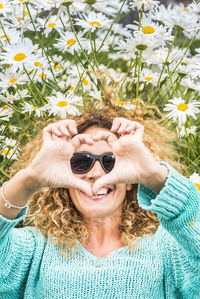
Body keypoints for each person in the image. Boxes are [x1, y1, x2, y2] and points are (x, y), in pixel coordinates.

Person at [0, 107, 199, 299]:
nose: (95, 173)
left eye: (110, 162)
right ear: (63, 178)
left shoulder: (165, 247)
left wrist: (154, 175)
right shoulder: (36, 249)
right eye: (80, 162)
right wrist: (30, 180)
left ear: (130, 182)